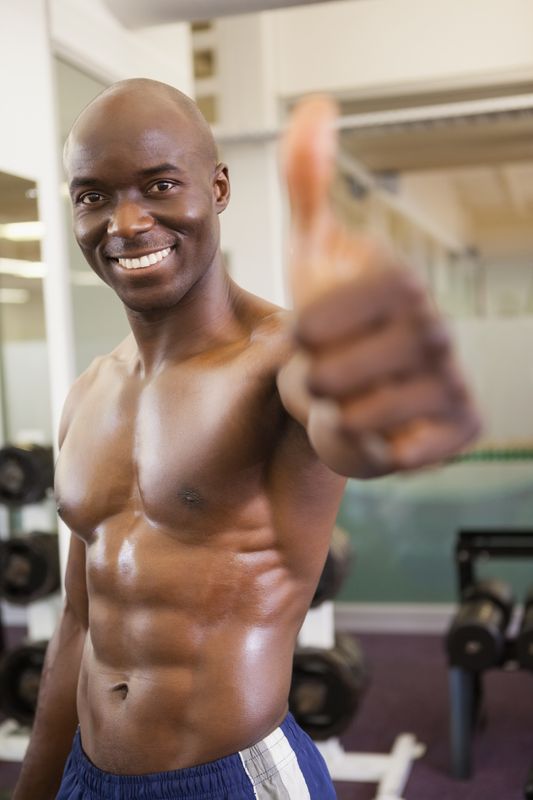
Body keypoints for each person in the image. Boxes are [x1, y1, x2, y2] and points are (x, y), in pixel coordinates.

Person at [12, 79, 479, 800]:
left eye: (159, 185)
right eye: (93, 195)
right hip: (87, 770)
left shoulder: (284, 359)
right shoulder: (87, 392)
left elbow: (358, 434)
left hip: (232, 778)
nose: (127, 221)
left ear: (217, 188)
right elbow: (77, 621)